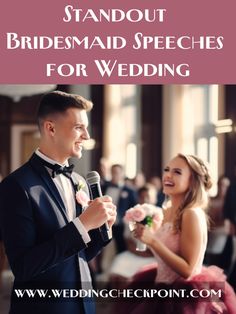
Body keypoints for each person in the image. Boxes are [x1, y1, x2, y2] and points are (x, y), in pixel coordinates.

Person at [0, 91, 117, 314]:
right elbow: (24, 267)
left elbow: (75, 256)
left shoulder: (79, 181)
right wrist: (82, 225)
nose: (87, 135)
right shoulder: (15, 186)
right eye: (79, 127)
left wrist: (100, 228)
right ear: (50, 128)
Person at [117, 154, 236, 314]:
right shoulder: (165, 212)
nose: (168, 175)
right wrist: (144, 233)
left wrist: (152, 241)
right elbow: (163, 251)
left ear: (192, 180)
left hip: (183, 298)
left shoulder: (191, 214)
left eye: (177, 172)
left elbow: (188, 270)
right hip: (160, 287)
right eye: (167, 170)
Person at [103, 164, 137, 253]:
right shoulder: (104, 187)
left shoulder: (130, 191)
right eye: (113, 172)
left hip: (120, 225)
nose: (115, 175)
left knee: (121, 249)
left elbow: (133, 207)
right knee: (103, 249)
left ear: (122, 174)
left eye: (117, 172)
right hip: (104, 223)